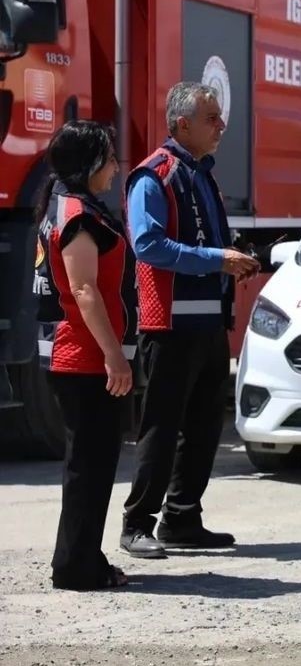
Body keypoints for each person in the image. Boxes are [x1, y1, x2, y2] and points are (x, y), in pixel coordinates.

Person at [119, 82, 260, 559]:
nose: (221, 125)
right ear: (182, 124)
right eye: (212, 117)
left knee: (203, 430)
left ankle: (181, 519)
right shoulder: (153, 176)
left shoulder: (201, 173)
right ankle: (137, 522)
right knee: (161, 429)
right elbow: (148, 245)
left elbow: (204, 239)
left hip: (206, 328)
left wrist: (236, 255)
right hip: (168, 328)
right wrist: (217, 258)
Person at [33, 120, 137, 591]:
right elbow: (83, 289)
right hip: (83, 358)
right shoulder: (77, 214)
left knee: (92, 467)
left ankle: (83, 559)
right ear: (90, 163)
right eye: (111, 158)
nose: (116, 168)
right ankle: (77, 568)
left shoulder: (65, 203)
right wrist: (115, 357)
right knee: (88, 468)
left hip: (78, 354)